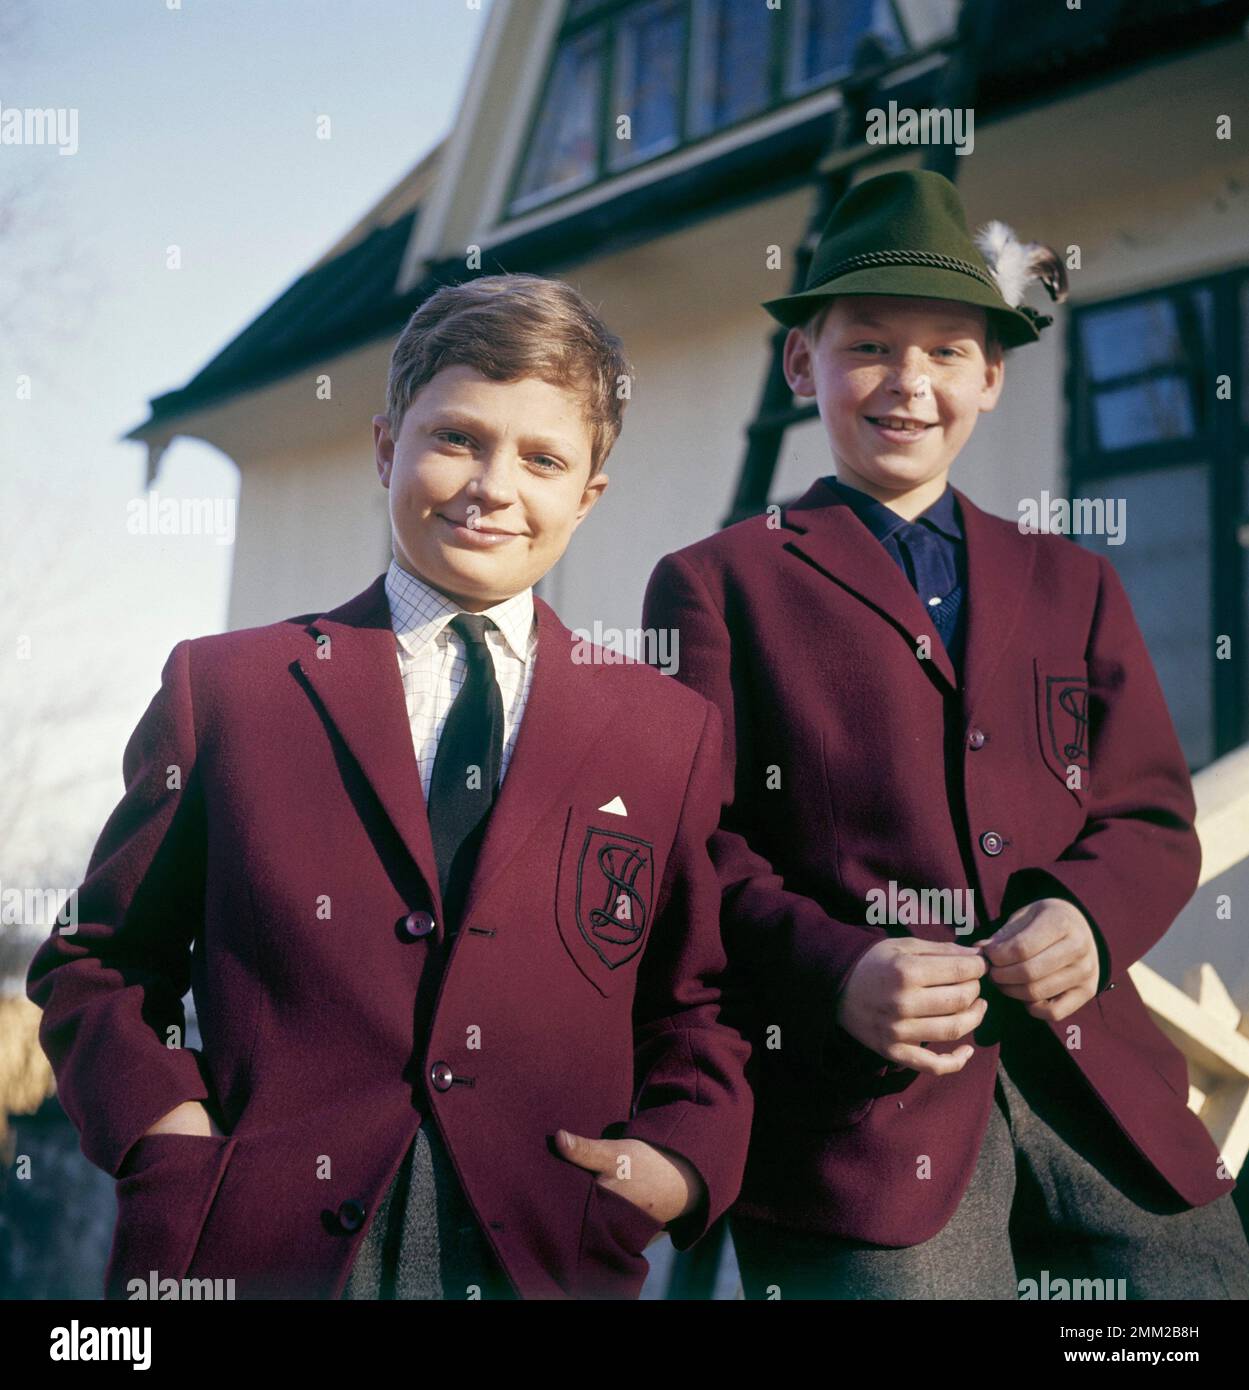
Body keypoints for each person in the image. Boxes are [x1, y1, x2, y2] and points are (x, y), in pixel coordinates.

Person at [27, 272, 752, 1300]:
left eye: (542, 458)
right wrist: (166, 1134)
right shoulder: (230, 689)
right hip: (256, 1252)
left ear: (588, 494)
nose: (493, 485)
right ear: (384, 447)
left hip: (540, 1254)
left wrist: (676, 1163)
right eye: (456, 437)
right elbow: (97, 961)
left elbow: (697, 1003)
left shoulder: (664, 731)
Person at [641, 169, 1249, 1299]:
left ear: (993, 375)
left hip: (1109, 1106)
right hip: (859, 1130)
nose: (908, 383)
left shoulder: (1075, 581)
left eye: (946, 352)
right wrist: (839, 971)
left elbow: (1151, 813)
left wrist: (1084, 915)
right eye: (867, 345)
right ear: (798, 365)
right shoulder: (713, 586)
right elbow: (697, 856)